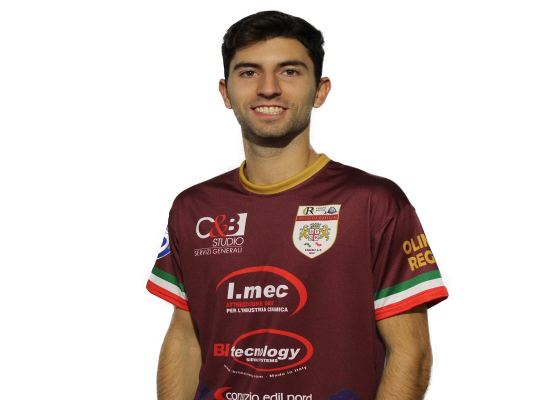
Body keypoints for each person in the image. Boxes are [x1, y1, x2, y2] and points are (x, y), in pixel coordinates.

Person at [146, 10, 448, 400]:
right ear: (225, 92)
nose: (268, 88)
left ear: (320, 91)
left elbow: (411, 353)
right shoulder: (193, 208)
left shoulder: (374, 203)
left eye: (289, 71)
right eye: (249, 72)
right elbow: (186, 338)